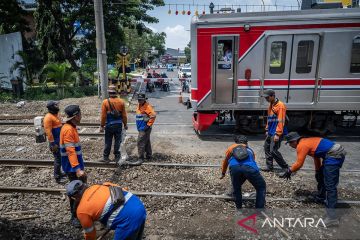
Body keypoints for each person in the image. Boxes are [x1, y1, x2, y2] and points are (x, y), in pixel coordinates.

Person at [280, 132, 346, 227]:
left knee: (330, 186)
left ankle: (332, 218)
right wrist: (318, 171)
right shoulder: (307, 141)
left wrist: (289, 171)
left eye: (289, 143)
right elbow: (316, 156)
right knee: (321, 177)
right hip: (332, 153)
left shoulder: (301, 145)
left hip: (334, 155)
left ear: (294, 141)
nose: (290, 146)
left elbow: (299, 164)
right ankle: (321, 197)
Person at [66, 180, 146, 240]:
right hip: (138, 205)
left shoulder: (81, 210)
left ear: (74, 197)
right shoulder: (98, 185)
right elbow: (123, 189)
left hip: (129, 219)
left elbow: (90, 233)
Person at [220, 135, 266, 209]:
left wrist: (223, 173)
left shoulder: (231, 148)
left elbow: (225, 161)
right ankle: (259, 210)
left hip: (234, 167)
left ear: (236, 142)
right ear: (246, 143)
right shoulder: (250, 150)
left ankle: (239, 209)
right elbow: (252, 161)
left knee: (237, 188)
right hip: (250, 168)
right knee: (261, 187)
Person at [60, 104, 86, 227]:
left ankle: (80, 212)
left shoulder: (72, 127)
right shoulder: (68, 130)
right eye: (80, 114)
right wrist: (77, 169)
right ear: (76, 116)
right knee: (75, 192)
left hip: (74, 166)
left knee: (80, 190)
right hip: (72, 167)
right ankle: (74, 217)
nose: (81, 116)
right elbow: (70, 151)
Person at [261, 89, 289, 172]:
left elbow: (281, 120)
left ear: (273, 96)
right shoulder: (271, 104)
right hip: (271, 131)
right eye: (265, 98)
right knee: (266, 148)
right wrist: (267, 129)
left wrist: (278, 134)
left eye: (267, 97)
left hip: (276, 132)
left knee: (273, 151)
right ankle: (269, 167)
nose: (266, 99)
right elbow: (269, 118)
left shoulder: (280, 106)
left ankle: (285, 167)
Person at [100, 85, 128, 163]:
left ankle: (106, 157)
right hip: (118, 125)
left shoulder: (105, 102)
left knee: (108, 141)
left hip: (109, 125)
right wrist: (125, 124)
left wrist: (102, 126)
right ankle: (117, 156)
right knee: (117, 141)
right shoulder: (121, 102)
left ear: (109, 92)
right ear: (116, 92)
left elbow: (103, 116)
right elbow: (124, 115)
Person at [43, 100, 66, 184]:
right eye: (56, 105)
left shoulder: (55, 115)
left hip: (59, 141)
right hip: (55, 143)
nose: (57, 106)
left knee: (60, 158)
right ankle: (57, 177)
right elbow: (48, 133)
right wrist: (53, 144)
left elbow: (60, 124)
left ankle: (59, 173)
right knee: (58, 159)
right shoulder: (48, 117)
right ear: (52, 107)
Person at [132, 93, 156, 165]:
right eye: (138, 100)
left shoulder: (147, 106)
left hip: (144, 128)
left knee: (140, 142)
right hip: (141, 127)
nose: (139, 101)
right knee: (146, 141)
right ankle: (149, 155)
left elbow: (153, 115)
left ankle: (140, 158)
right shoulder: (139, 105)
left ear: (144, 100)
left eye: (141, 100)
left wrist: (148, 125)